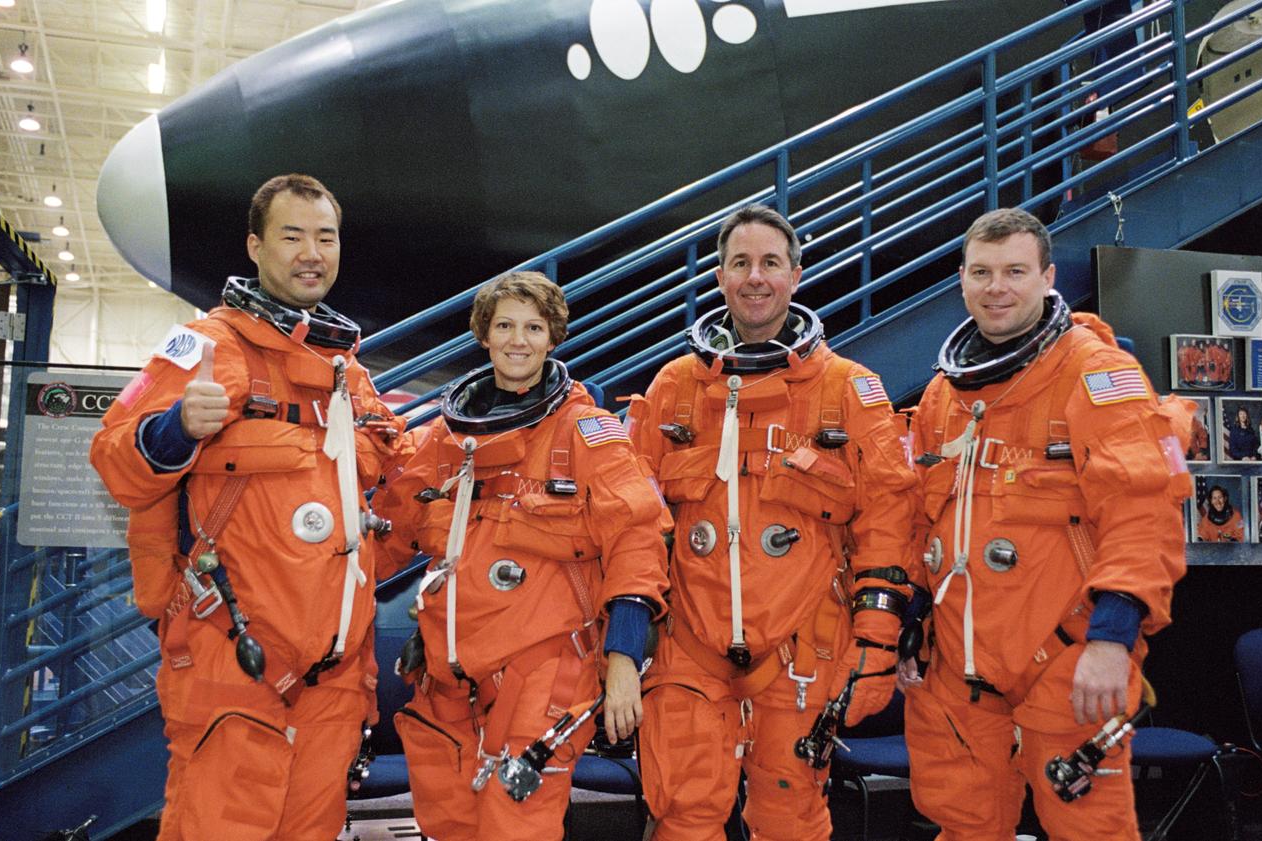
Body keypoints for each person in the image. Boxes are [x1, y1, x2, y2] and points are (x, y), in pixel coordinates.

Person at [89, 174, 408, 841]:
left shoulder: (350, 376)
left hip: (333, 678)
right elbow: (113, 455)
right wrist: (176, 428)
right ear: (256, 246)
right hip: (234, 664)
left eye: (325, 238)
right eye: (292, 236)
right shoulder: (204, 347)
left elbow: (396, 480)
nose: (311, 253)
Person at [627, 205, 918, 841]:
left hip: (803, 646)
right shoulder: (675, 388)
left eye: (770, 263)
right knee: (682, 817)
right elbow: (630, 523)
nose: (755, 277)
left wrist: (875, 642)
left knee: (790, 820)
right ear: (719, 277)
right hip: (689, 646)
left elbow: (890, 521)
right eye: (740, 263)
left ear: (796, 274)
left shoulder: (847, 390)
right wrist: (623, 643)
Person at [902, 208, 1191, 840]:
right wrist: (910, 618)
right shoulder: (944, 395)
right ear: (961, 280)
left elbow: (1143, 510)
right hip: (957, 665)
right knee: (962, 825)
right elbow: (921, 517)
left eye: (1014, 271)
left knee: (1090, 831)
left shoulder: (1095, 374)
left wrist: (1111, 640)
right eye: (981, 272)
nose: (996, 288)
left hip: (1065, 656)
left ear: (1047, 277)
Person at [370, 272, 669, 841]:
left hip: (544, 665)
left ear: (553, 338)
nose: (518, 340)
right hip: (450, 665)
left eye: (533, 328)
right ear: (484, 335)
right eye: (505, 326)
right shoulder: (447, 438)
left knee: (516, 824)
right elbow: (389, 533)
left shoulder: (587, 433)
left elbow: (637, 540)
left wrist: (624, 660)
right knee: (449, 823)